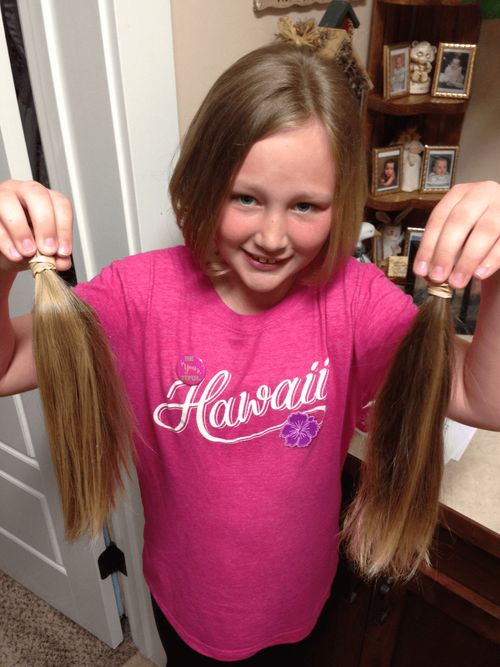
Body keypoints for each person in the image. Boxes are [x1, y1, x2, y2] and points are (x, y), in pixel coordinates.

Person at [1, 42, 500, 665]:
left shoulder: (354, 301)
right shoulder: (138, 297)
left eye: (305, 206)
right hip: (185, 604)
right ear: (205, 180)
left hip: (302, 599)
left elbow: (483, 398)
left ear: (339, 203)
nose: (271, 237)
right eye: (245, 197)